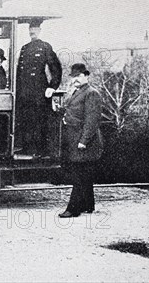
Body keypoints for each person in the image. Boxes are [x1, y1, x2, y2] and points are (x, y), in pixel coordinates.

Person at [59, 63, 104, 218]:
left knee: (79, 175)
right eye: (73, 76)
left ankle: (73, 209)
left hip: (85, 141)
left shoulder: (92, 93)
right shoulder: (77, 92)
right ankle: (88, 205)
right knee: (84, 174)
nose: (76, 79)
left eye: (78, 76)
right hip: (75, 138)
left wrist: (83, 141)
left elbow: (92, 120)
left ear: (86, 76)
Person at [15, 18, 62, 158]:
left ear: (40, 30)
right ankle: (27, 147)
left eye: (35, 29)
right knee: (25, 120)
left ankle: (41, 150)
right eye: (30, 29)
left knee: (39, 121)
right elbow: (19, 72)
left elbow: (56, 68)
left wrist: (52, 86)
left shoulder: (45, 47)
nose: (32, 31)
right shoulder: (24, 48)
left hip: (39, 91)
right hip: (24, 91)